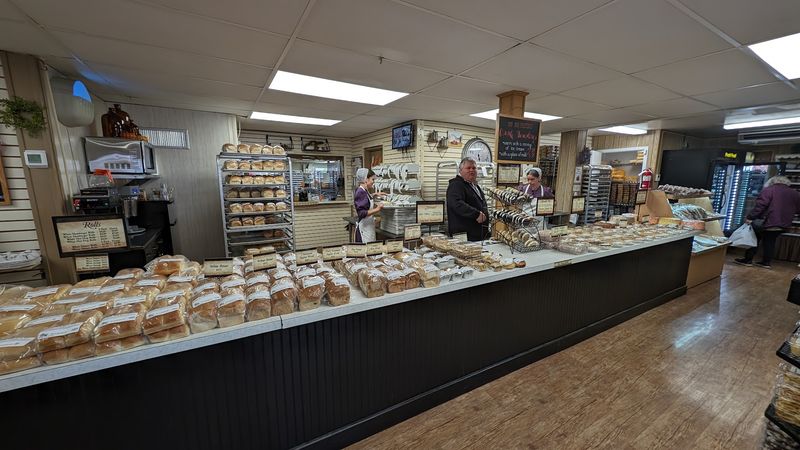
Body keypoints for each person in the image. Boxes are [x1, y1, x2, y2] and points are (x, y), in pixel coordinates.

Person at [735, 175, 800, 269]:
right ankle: (766, 262)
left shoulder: (769, 190)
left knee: (754, 238)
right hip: (784, 223)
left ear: (773, 181)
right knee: (770, 242)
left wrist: (750, 217)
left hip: (768, 221)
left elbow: (760, 206)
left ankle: (748, 260)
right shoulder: (795, 194)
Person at [446, 157, 490, 242]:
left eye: (474, 168)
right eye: (468, 168)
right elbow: (456, 203)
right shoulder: (456, 185)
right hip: (465, 236)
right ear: (460, 170)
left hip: (477, 235)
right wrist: (476, 214)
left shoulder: (474, 185)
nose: (471, 170)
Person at [353, 168, 383, 243]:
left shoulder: (364, 190)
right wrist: (377, 209)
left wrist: (375, 194)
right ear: (365, 179)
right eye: (372, 179)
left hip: (368, 227)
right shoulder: (360, 192)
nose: (373, 182)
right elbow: (361, 213)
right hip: (364, 229)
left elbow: (366, 199)